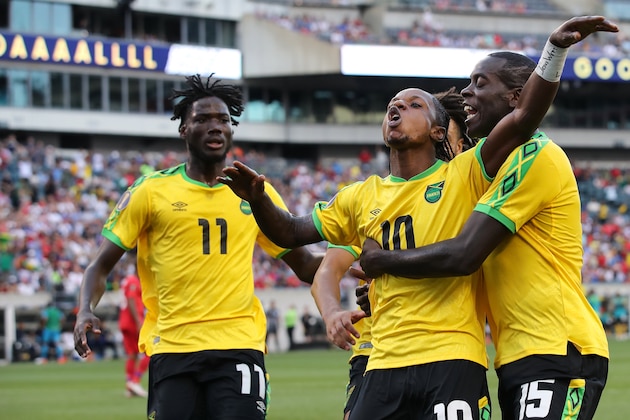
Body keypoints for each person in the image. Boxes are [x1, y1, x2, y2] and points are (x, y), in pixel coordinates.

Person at [220, 11, 581, 412]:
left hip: (452, 357)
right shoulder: (359, 196)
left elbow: (523, 118)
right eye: (393, 105)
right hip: (384, 361)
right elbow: (288, 232)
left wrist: (554, 51)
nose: (397, 108)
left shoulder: (465, 174)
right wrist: (257, 199)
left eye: (412, 105)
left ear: (438, 131)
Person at [357, 16, 617, 420]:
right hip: (517, 356)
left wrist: (383, 262)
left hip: (558, 345)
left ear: (516, 98)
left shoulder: (536, 155)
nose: (466, 91)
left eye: (480, 83)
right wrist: (383, 289)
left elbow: (464, 254)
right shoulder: (482, 174)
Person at [73, 73, 323, 420]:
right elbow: (99, 266)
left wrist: (356, 260)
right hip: (174, 346)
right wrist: (85, 307)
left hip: (239, 343)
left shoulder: (254, 192)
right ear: (183, 130)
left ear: (232, 128)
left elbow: (305, 264)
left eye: (223, 119)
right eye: (202, 119)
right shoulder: (150, 192)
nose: (215, 127)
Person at [310, 88, 477, 419]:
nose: (452, 150)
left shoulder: (464, 192)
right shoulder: (373, 198)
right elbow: (328, 269)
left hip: (445, 352)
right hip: (376, 350)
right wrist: (333, 313)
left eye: (457, 143)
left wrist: (388, 266)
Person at [119, 263, 150, 398]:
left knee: (132, 354)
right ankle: (135, 381)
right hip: (132, 321)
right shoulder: (133, 281)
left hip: (124, 320)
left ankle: (129, 384)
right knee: (150, 351)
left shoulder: (127, 280)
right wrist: (138, 320)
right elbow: (131, 298)